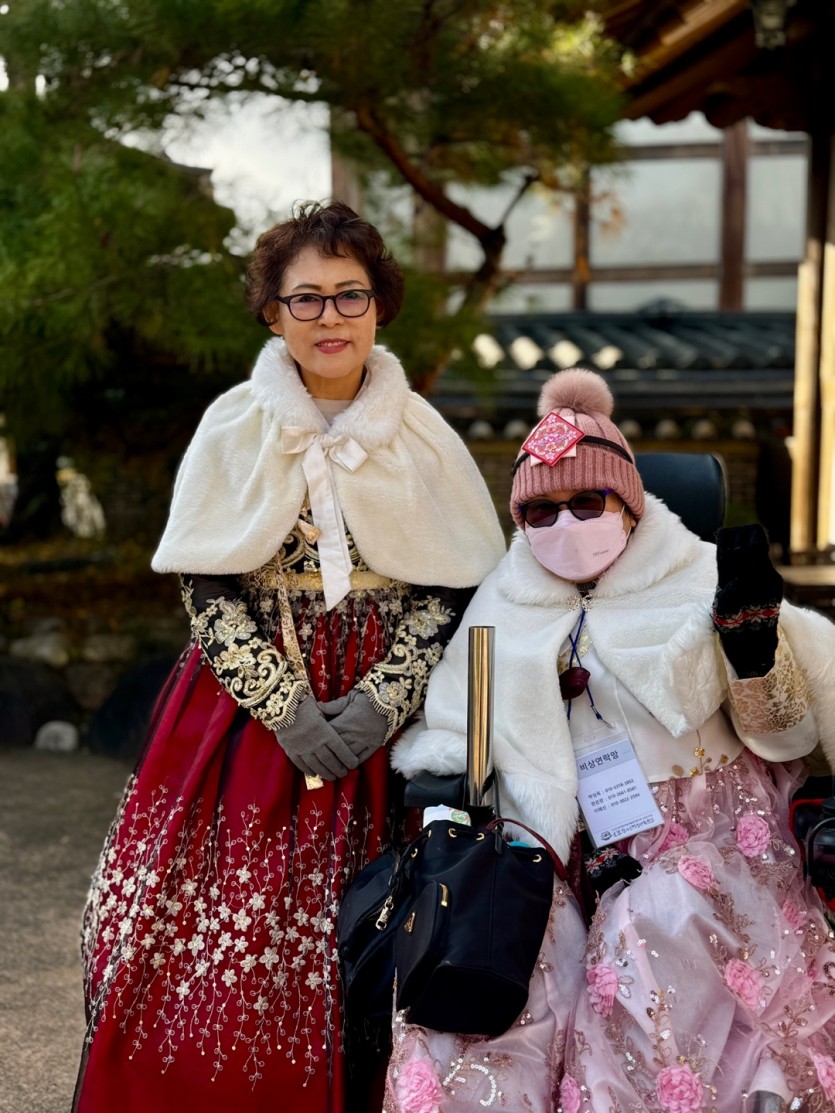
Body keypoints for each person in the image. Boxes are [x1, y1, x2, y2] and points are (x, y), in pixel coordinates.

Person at [73, 200, 506, 1113]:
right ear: (272, 312)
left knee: (376, 935)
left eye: (350, 295)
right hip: (246, 714)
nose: (329, 317)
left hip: (388, 719)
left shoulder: (423, 433)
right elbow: (203, 581)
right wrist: (284, 705)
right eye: (305, 298)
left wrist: (383, 698)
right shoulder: (235, 423)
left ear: (379, 305)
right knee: (185, 940)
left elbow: (459, 587)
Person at [388, 367, 835, 1113]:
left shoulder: (702, 577)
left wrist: (753, 654)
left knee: (651, 924)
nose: (564, 524)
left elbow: (785, 734)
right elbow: (458, 731)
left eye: (586, 502)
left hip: (704, 832)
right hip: (554, 849)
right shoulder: (501, 600)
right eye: (540, 511)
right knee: (495, 964)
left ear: (627, 504)